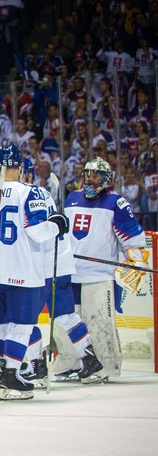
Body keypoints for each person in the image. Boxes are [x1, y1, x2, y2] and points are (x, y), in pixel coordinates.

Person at [0, 145, 66, 401]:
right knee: (21, 326)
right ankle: (11, 376)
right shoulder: (31, 192)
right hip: (23, 271)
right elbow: (37, 231)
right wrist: (58, 224)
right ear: (20, 167)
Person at [17, 159, 104, 386]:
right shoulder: (42, 194)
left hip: (45, 267)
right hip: (61, 264)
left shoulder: (24, 194)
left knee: (23, 319)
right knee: (66, 316)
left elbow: (32, 233)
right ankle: (90, 357)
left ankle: (36, 364)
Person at [61, 157, 148, 382]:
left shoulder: (115, 203)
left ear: (107, 179)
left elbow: (133, 236)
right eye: (88, 174)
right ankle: (71, 361)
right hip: (71, 272)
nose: (91, 179)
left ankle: (106, 365)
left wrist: (136, 260)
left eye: (96, 175)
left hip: (98, 274)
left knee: (98, 320)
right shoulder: (72, 198)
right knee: (67, 320)